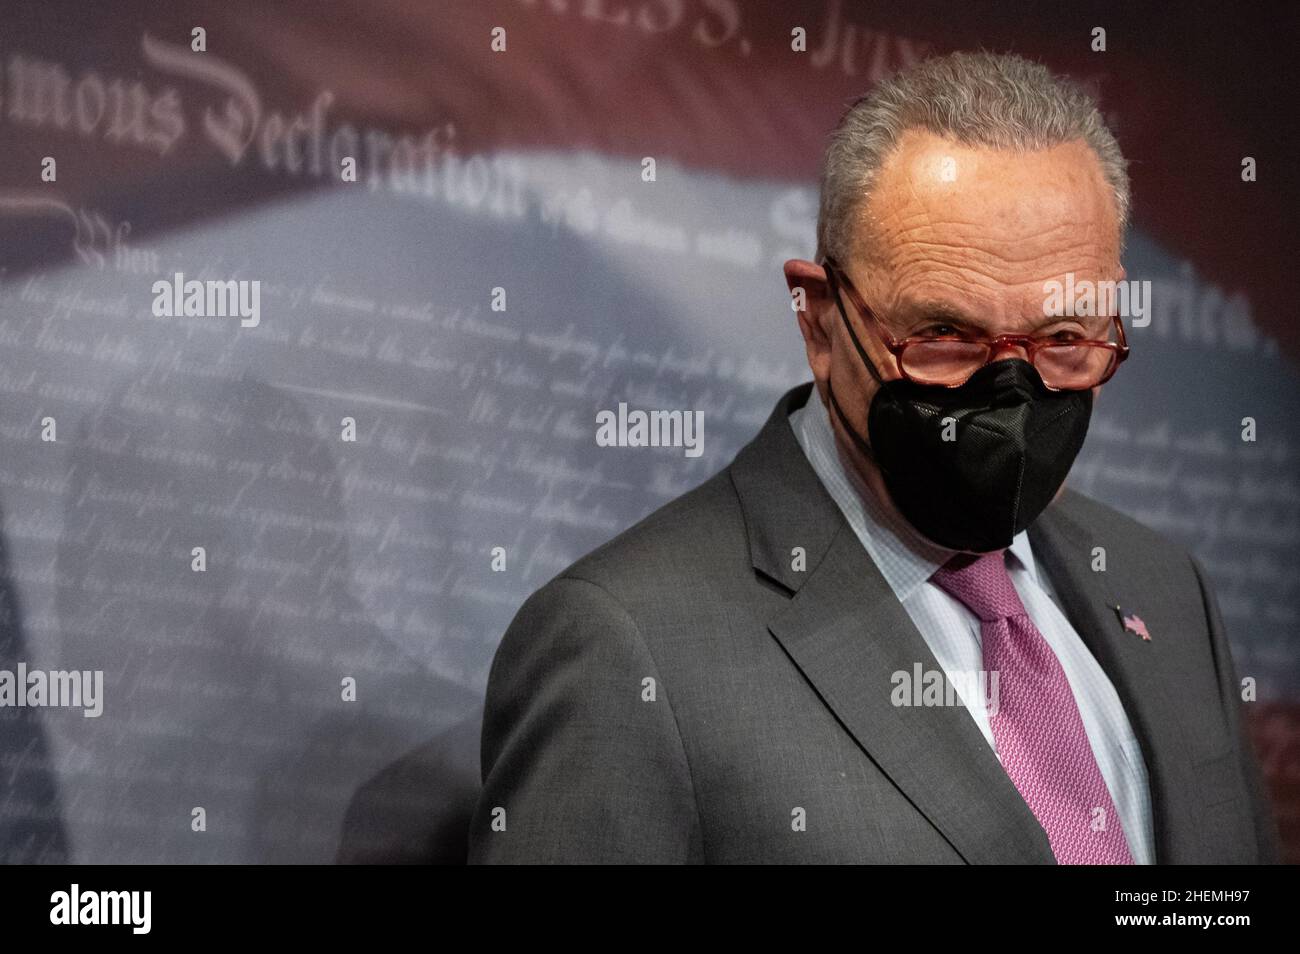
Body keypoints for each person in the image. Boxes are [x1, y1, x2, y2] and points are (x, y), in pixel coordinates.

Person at [467, 51, 1279, 864]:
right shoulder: (626, 650)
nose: (1011, 395)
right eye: (945, 336)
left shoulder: (1165, 594)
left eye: (1064, 338)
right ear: (819, 320)